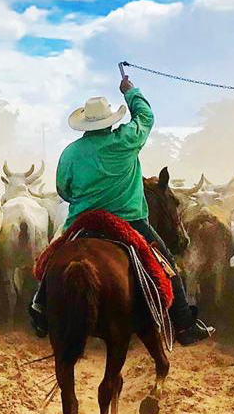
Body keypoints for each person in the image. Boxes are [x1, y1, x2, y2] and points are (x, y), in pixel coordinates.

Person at [29, 73, 213, 345]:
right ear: (110, 121)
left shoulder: (71, 152)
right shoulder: (126, 139)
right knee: (167, 264)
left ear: (85, 124)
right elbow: (146, 117)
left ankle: (40, 310)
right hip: (129, 221)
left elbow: (63, 190)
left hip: (84, 221)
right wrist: (130, 90)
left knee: (50, 260)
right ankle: (185, 325)